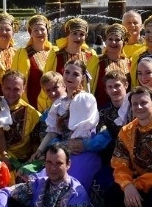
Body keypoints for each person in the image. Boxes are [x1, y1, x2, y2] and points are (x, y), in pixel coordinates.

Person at [31, 60, 102, 192]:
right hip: (64, 152)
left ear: (82, 78)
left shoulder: (84, 98)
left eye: (75, 74)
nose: (70, 77)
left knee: (67, 189)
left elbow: (79, 138)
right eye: (67, 72)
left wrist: (62, 147)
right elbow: (52, 132)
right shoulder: (59, 103)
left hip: (80, 153)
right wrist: (40, 150)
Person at [38, 17, 95, 111]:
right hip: (59, 107)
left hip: (84, 105)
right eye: (74, 33)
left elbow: (93, 84)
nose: (78, 38)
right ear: (67, 34)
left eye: (82, 34)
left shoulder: (91, 56)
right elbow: (47, 82)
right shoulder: (56, 56)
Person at [0, 69, 41, 165]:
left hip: (19, 162)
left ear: (23, 89)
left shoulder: (33, 114)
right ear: (2, 87)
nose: (11, 93)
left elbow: (36, 144)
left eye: (16, 89)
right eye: (8, 88)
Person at [13, 15, 54, 108]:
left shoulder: (55, 52)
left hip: (54, 103)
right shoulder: (23, 53)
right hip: (32, 105)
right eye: (35, 30)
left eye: (42, 29)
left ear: (47, 31)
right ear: (30, 33)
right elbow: (17, 82)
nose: (39, 32)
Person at [86, 23, 131, 109]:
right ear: (105, 41)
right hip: (100, 108)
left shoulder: (129, 63)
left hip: (126, 108)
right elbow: (88, 85)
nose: (113, 42)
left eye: (117, 39)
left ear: (124, 42)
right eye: (110, 39)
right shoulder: (97, 61)